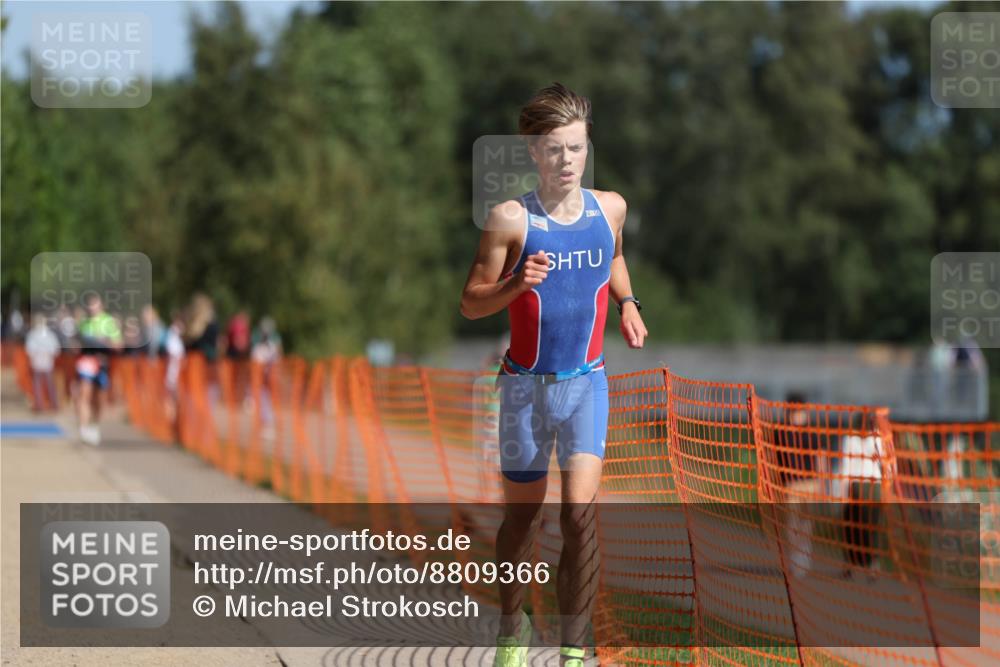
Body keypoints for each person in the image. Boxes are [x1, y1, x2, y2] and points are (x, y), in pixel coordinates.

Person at [460, 83, 647, 667]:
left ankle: (572, 647)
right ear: (533, 152)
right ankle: (512, 631)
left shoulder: (609, 208)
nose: (567, 161)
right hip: (523, 388)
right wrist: (516, 284)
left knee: (579, 516)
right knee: (523, 519)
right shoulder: (510, 220)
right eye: (554, 150)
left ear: (587, 146)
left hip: (587, 383)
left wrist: (629, 303)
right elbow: (469, 302)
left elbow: (613, 256)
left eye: (576, 148)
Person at [75, 294, 123, 445]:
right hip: (87, 362)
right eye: (90, 305)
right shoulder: (84, 323)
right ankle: (83, 429)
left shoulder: (108, 322)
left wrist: (104, 342)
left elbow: (118, 344)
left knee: (99, 399)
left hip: (102, 364)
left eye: (94, 305)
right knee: (85, 394)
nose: (92, 308)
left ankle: (94, 426)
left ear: (101, 306)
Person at [25, 314, 61, 411]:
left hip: (43, 362)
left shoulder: (36, 334)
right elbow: (55, 349)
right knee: (43, 384)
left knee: (44, 384)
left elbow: (30, 349)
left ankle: (48, 404)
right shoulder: (45, 334)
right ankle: (46, 404)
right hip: (42, 362)